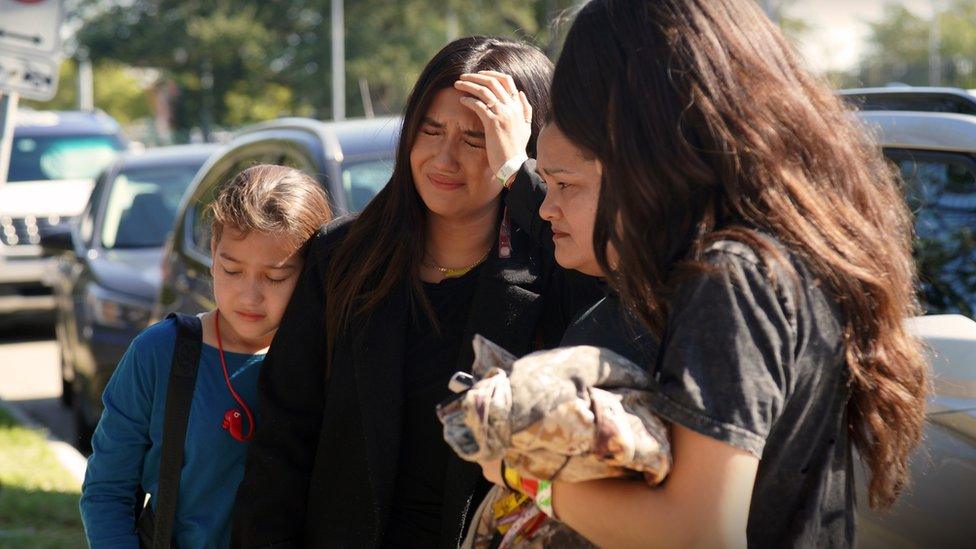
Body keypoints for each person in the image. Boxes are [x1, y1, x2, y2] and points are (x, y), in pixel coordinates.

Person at [478, 1, 929, 547]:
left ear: (644, 132)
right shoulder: (774, 255)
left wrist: (521, 472)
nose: (551, 205)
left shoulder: (730, 278)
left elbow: (698, 532)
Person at [232, 36, 601, 547]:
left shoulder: (561, 269)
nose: (444, 158)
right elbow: (282, 440)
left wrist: (519, 173)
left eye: (476, 139)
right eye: (430, 130)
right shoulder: (341, 259)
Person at [79, 165, 332, 547]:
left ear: (313, 271)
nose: (249, 296)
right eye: (232, 270)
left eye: (275, 277)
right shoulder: (159, 354)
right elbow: (107, 492)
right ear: (213, 254)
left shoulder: (331, 361)